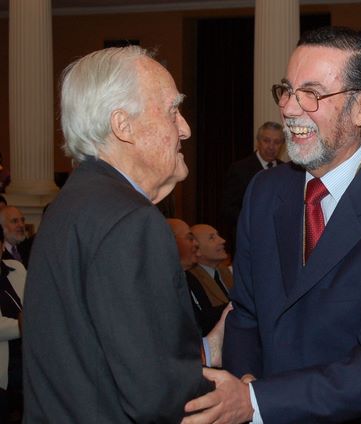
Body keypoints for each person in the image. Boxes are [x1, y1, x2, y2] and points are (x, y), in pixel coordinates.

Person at [182, 26, 361, 424]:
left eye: (311, 93)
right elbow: (245, 314)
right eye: (287, 90)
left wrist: (258, 400)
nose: (290, 108)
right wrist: (248, 380)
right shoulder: (264, 191)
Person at [22, 46, 216, 422]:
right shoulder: (131, 221)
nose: (185, 128)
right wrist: (240, 398)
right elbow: (158, 396)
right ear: (123, 125)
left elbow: (101, 353)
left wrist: (206, 350)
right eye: (172, 111)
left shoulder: (73, 203)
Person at [221, 121, 285, 252]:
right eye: (266, 141)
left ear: (282, 145)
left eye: (277, 142)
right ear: (258, 142)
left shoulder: (287, 171)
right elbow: (228, 208)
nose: (271, 146)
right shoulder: (239, 169)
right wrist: (255, 224)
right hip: (249, 241)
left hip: (280, 242)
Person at [167, 218, 223, 336]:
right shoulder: (163, 285)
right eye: (190, 238)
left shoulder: (189, 277)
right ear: (170, 242)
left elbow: (204, 318)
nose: (196, 244)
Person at [0, 225, 25, 423]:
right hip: (4, 368)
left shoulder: (16, 268)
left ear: (2, 246)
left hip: (28, 359)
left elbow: (37, 303)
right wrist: (27, 326)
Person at [189, 224, 233, 309]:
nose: (223, 240)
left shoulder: (225, 271)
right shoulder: (193, 280)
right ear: (197, 249)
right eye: (212, 238)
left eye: (218, 235)